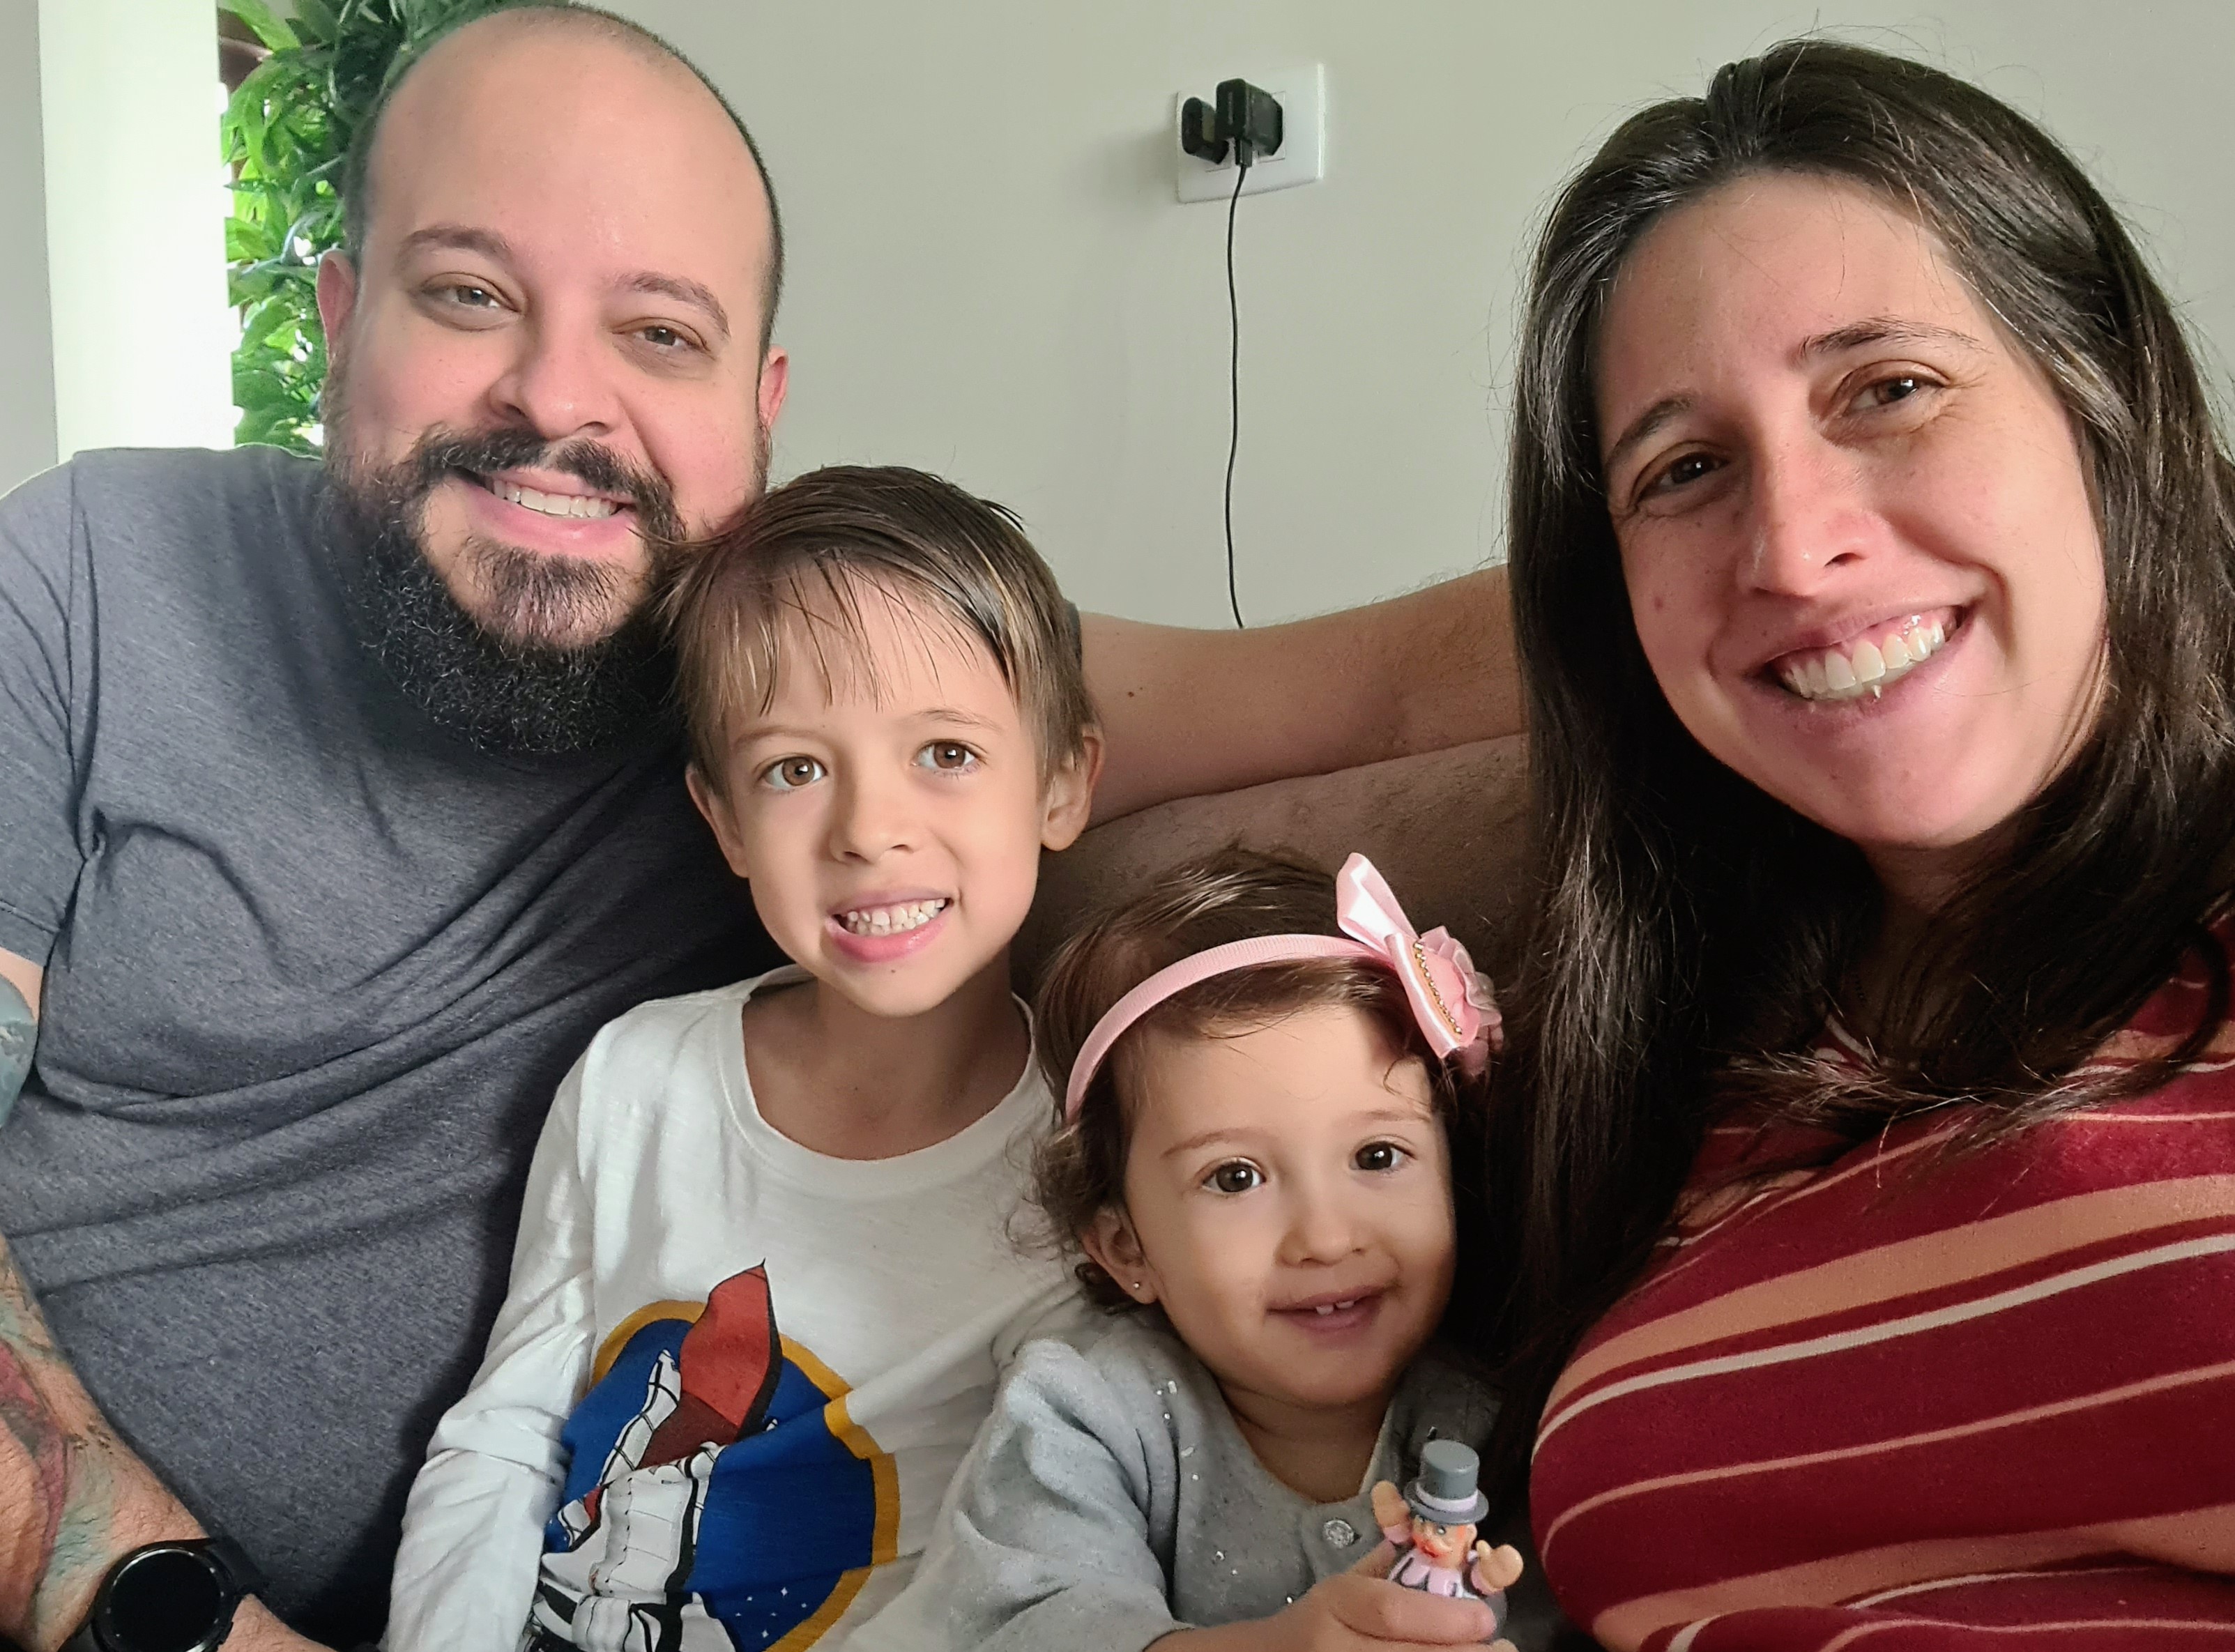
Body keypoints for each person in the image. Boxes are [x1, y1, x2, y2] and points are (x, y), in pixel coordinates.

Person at [0, 6, 1521, 1648]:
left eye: (660, 332)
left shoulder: (838, 680)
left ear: (760, 403)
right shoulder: (91, 575)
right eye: (467, 293)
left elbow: (1372, 687)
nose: (558, 399)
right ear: (341, 313)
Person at [1477, 38, 2235, 1651]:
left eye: (1886, 390)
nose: (1796, 547)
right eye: (1684, 469)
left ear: (2104, 404)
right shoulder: (1651, 1079)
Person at [386, 464, 1101, 1648]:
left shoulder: (1088, 1165)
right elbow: (505, 1433)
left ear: (1064, 783)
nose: (870, 829)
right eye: (794, 770)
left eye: (946, 754)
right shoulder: (637, 1079)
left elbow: (1027, 1564)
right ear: (723, 820)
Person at [877, 848, 1546, 1652]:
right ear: (1127, 1247)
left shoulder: (1496, 1424)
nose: (1326, 1238)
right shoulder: (1085, 1412)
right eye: (1234, 1177)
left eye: (1376, 1157)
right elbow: (1030, 1625)